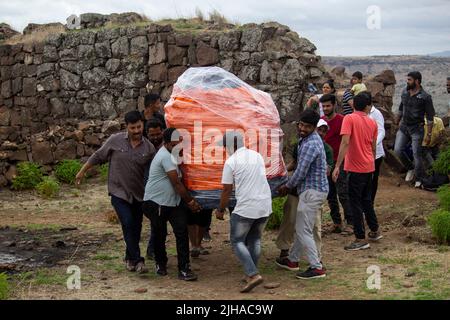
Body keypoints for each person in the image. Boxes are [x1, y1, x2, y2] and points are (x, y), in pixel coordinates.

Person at [75, 111, 156, 273]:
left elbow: (153, 174)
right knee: (127, 222)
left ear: (143, 125)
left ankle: (129, 258)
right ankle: (138, 261)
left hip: (138, 194)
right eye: (133, 128)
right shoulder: (115, 140)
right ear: (127, 127)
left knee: (136, 227)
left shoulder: (149, 148)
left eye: (139, 127)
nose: (136, 131)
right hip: (118, 191)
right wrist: (82, 172)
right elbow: (98, 156)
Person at [215, 131, 272, 293]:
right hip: (264, 204)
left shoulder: (231, 162)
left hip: (247, 206)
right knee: (254, 239)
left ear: (232, 146)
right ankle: (250, 273)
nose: (225, 149)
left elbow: (226, 190)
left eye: (225, 146)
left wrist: (220, 210)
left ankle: (253, 274)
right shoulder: (257, 156)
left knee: (237, 240)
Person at [142, 128, 201, 281]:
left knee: (181, 233)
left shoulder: (173, 155)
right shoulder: (165, 156)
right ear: (166, 143)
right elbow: (176, 183)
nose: (178, 147)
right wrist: (191, 202)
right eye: (175, 145)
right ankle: (161, 264)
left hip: (173, 202)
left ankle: (184, 269)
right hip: (157, 202)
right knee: (160, 234)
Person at [277, 109, 329, 279]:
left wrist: (287, 186)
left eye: (307, 126)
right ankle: (292, 260)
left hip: (311, 192)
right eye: (301, 125)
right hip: (311, 191)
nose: (303, 128)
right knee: (303, 227)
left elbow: (300, 172)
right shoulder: (305, 139)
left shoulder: (311, 143)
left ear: (314, 127)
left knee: (303, 230)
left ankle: (316, 267)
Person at [333, 93, 382, 251]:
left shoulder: (349, 119)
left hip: (355, 167)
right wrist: (371, 163)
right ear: (367, 106)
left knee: (354, 202)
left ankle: (360, 238)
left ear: (354, 105)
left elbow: (345, 142)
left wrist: (337, 165)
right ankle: (374, 230)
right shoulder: (372, 122)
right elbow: (373, 147)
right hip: (368, 166)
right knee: (366, 200)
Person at [394, 71, 435, 188]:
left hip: (417, 129)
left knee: (417, 155)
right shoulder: (405, 92)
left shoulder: (425, 97)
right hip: (403, 127)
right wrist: (397, 120)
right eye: (407, 80)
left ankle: (419, 178)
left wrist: (429, 134)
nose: (407, 82)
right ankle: (410, 168)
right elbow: (401, 108)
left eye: (409, 80)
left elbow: (430, 118)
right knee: (397, 150)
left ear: (417, 81)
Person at [320, 94, 353, 233]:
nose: (326, 108)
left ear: (334, 105)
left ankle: (351, 222)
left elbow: (346, 142)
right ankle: (337, 222)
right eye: (324, 106)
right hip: (325, 162)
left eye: (328, 105)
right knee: (330, 194)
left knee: (343, 192)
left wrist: (339, 164)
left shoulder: (342, 120)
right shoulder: (320, 122)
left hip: (340, 161)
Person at [143, 119, 165, 260]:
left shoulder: (168, 147)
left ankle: (154, 250)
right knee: (156, 223)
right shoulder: (145, 149)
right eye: (152, 135)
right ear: (147, 135)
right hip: (151, 191)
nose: (156, 137)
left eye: (158, 134)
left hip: (166, 191)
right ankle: (153, 250)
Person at [367, 93, 386, 203]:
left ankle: (370, 202)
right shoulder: (361, 113)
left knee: (373, 179)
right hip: (365, 152)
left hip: (376, 153)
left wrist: (374, 144)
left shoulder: (376, 114)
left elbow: (381, 131)